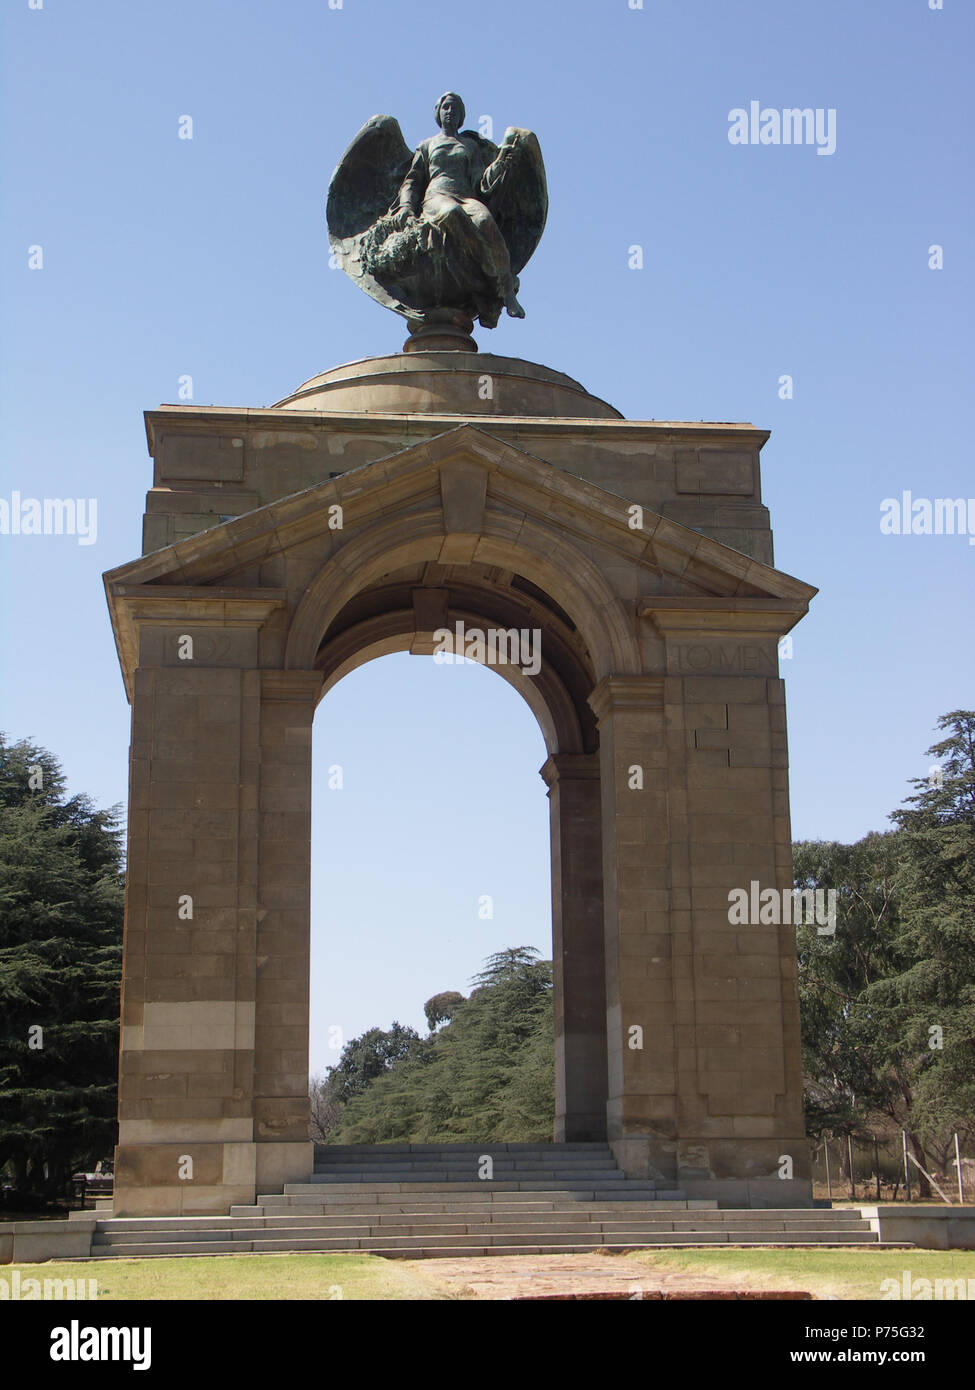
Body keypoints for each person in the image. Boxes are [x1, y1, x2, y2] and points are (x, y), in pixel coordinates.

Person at [390, 92, 525, 320]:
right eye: (446, 107)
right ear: (438, 113)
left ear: (461, 115)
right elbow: (412, 180)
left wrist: (501, 163)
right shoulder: (427, 145)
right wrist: (405, 207)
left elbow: (480, 181)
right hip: (437, 198)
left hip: (465, 196)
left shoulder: (469, 145)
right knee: (451, 213)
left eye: (454, 108)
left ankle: (506, 289)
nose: (450, 111)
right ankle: (487, 277)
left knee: (484, 221)